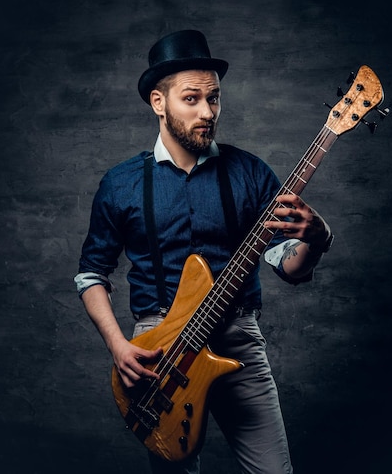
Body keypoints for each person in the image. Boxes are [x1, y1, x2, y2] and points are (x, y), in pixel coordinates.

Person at [75, 30, 333, 474]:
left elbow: (287, 265)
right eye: (191, 99)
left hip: (237, 337)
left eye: (213, 99)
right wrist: (118, 346)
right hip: (159, 348)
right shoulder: (121, 184)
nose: (207, 112)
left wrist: (319, 239)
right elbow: (91, 274)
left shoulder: (250, 172)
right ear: (159, 103)